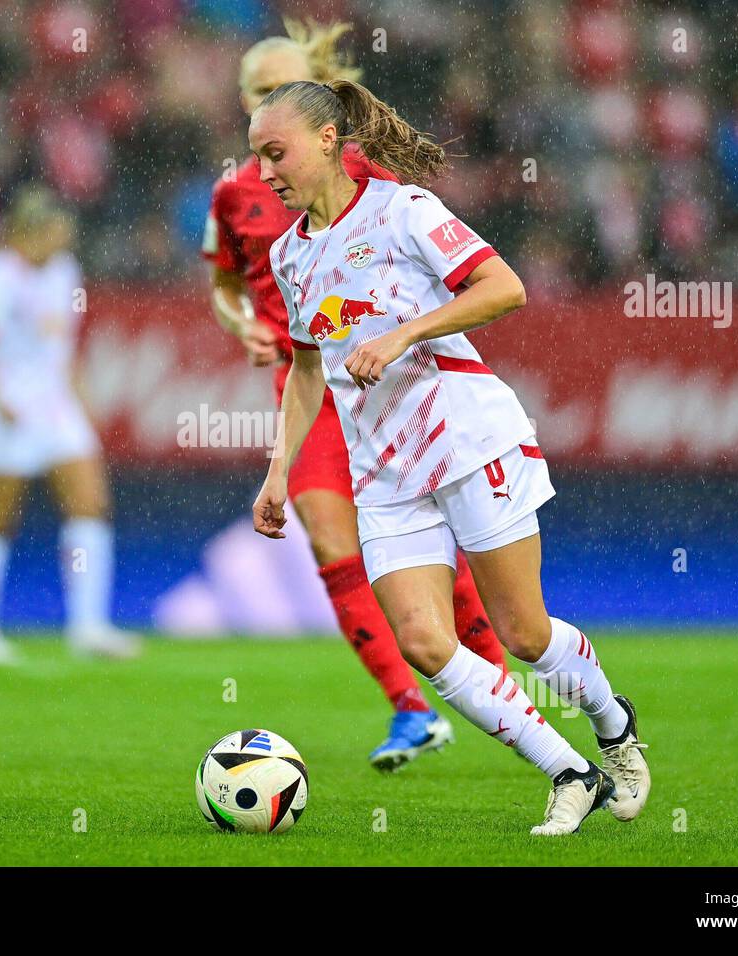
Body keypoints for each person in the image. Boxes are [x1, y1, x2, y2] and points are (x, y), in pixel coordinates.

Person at [250, 79, 651, 834]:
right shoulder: (287, 257)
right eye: (257, 158)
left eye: (277, 153)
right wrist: (280, 471)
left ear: (329, 141)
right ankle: (571, 772)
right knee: (426, 644)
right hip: (384, 473)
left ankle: (612, 721)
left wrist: (404, 333)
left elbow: (505, 289)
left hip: (468, 439)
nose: (266, 172)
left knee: (524, 636)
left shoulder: (403, 212)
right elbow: (308, 370)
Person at [204, 18, 510, 772]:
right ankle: (410, 710)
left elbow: (419, 257)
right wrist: (243, 322)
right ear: (245, 105)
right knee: (334, 547)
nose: (270, 107)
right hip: (303, 385)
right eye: (258, 96)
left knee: (432, 547)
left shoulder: (360, 175)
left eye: (284, 90)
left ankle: (499, 679)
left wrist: (408, 333)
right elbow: (221, 284)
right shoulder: (232, 196)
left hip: (381, 381)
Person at [0, 185, 139, 664]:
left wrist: (83, 404)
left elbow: (64, 348)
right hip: (5, 408)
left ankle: (88, 627)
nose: (65, 240)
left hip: (55, 406)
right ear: (29, 232)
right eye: (57, 232)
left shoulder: (64, 272)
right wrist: (0, 401)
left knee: (90, 504)